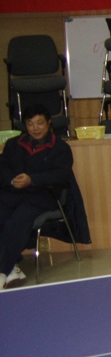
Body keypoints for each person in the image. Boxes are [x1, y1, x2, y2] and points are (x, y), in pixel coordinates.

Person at [0, 104, 74, 290]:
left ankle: (3, 270)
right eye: (30, 124)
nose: (35, 128)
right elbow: (3, 167)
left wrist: (32, 180)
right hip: (15, 192)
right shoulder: (13, 144)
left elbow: (61, 175)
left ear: (48, 123)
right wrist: (12, 180)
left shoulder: (60, 148)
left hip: (44, 196)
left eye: (40, 123)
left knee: (19, 219)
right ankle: (12, 264)